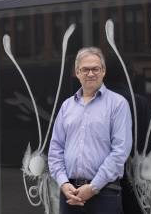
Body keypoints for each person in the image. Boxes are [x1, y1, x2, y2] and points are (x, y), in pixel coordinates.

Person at [48, 47, 132, 214]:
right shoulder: (67, 106)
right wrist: (64, 184)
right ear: (77, 72)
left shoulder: (118, 104)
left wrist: (93, 187)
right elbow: (55, 150)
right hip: (70, 194)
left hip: (105, 193)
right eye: (85, 69)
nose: (91, 73)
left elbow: (120, 151)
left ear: (103, 71)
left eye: (95, 68)